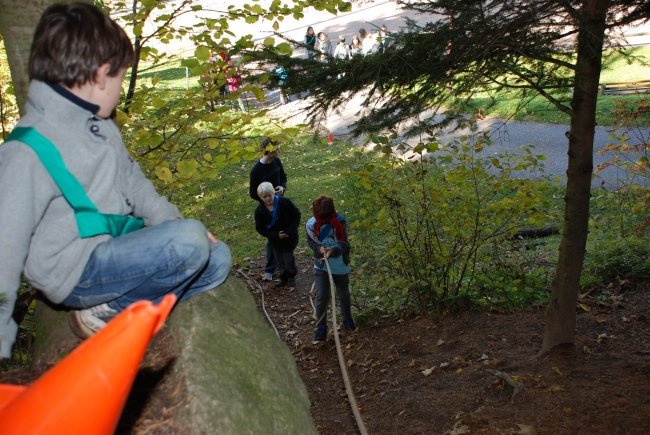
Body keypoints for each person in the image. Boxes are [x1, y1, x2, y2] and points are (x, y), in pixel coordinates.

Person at [0, 2, 232, 355]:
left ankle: (119, 310)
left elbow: (132, 179)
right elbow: (6, 246)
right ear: (100, 75)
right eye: (121, 79)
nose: (120, 90)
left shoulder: (100, 125)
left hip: (113, 250)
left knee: (218, 259)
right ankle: (103, 311)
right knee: (189, 242)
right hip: (74, 270)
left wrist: (167, 219)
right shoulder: (28, 149)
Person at [306, 194, 356, 343]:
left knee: (343, 293)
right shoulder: (310, 225)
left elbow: (344, 243)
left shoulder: (339, 221)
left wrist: (333, 250)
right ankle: (321, 327)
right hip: (321, 266)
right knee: (321, 296)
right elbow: (311, 243)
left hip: (339, 264)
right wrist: (320, 249)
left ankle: (347, 319)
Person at [249, 137, 288, 281]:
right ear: (269, 151)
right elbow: (253, 193)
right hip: (268, 207)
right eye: (277, 149)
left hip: (281, 203)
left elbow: (283, 177)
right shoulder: (256, 171)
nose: (279, 151)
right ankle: (270, 270)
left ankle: (285, 264)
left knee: (284, 233)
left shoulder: (277, 162)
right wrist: (267, 197)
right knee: (273, 235)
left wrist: (282, 188)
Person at [254, 182, 301, 289]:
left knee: (288, 259)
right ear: (261, 197)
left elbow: (296, 215)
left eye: (269, 195)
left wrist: (289, 231)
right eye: (264, 197)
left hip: (289, 238)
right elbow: (260, 228)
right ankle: (283, 278)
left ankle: (291, 277)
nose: (268, 199)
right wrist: (275, 235)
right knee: (279, 260)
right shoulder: (260, 211)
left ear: (273, 192)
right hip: (275, 241)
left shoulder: (285, 203)